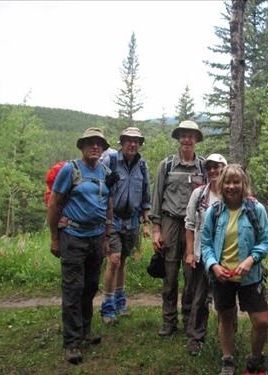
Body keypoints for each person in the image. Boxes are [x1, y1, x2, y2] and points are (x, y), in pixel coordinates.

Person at [47, 127, 113, 364]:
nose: (95, 147)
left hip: (96, 238)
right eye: (90, 143)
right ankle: (72, 342)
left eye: (99, 144)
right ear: (82, 146)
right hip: (73, 237)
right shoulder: (70, 170)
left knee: (90, 286)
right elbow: (54, 204)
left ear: (104, 149)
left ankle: (85, 330)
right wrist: (55, 237)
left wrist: (106, 236)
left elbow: (108, 205)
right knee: (73, 289)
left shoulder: (106, 172)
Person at [202, 164, 268, 375]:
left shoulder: (255, 209)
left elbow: (266, 240)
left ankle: (255, 359)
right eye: (227, 182)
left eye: (236, 182)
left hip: (250, 276)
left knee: (262, 321)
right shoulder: (213, 212)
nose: (232, 186)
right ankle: (227, 360)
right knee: (226, 317)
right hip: (222, 277)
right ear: (221, 185)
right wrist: (213, 266)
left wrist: (251, 259)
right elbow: (205, 244)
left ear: (244, 185)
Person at [150, 120, 206, 336]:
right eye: (183, 135)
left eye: (191, 136)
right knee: (170, 275)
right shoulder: (166, 166)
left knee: (191, 275)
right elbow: (156, 198)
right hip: (170, 223)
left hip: (194, 225)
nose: (186, 139)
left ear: (196, 140)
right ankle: (168, 321)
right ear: (178, 138)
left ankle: (189, 320)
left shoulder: (202, 167)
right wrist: (156, 229)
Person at [99, 127, 151, 325]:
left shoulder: (142, 166)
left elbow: (145, 196)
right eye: (129, 140)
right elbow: (98, 188)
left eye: (136, 141)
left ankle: (120, 302)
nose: (133, 144)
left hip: (132, 221)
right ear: (121, 142)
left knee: (123, 261)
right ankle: (107, 307)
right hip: (112, 219)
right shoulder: (110, 161)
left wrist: (146, 223)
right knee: (113, 260)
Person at [184, 153, 228, 356]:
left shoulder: (232, 193)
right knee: (199, 298)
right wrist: (190, 253)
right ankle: (196, 338)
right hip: (202, 254)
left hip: (227, 255)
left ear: (224, 168)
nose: (213, 171)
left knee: (225, 299)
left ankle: (227, 335)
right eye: (209, 167)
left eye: (217, 167)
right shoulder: (199, 194)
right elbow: (190, 225)